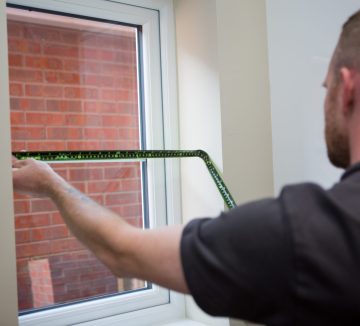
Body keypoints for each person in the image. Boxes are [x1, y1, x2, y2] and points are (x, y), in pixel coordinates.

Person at [12, 9, 360, 326]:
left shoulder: (299, 235)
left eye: (326, 87)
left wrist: (51, 185)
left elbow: (121, 249)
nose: (324, 101)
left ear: (347, 89)